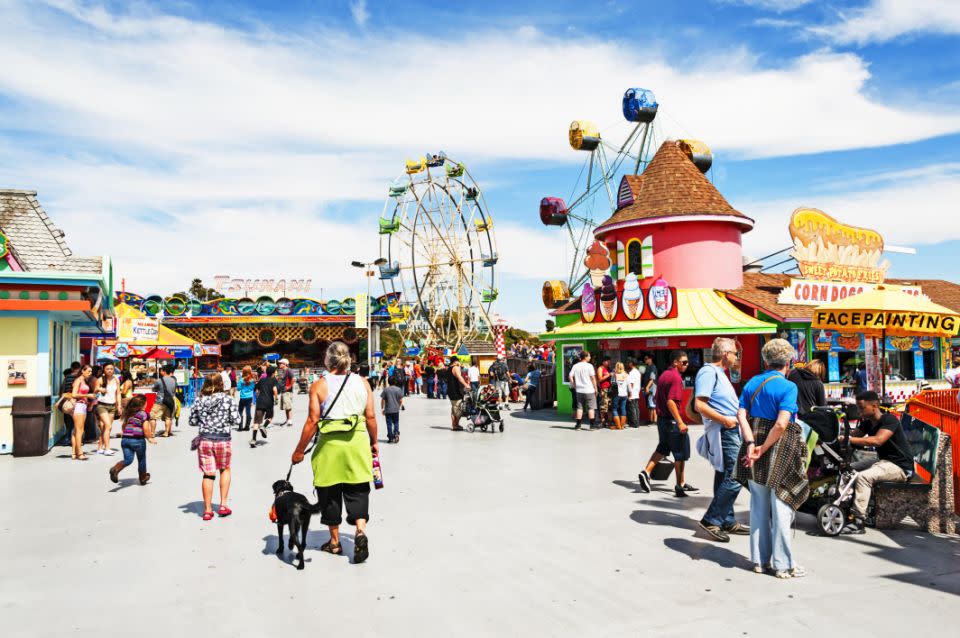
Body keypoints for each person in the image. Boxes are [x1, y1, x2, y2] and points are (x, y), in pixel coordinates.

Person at [291, 342, 377, 563]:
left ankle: (335, 542)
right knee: (358, 487)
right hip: (356, 442)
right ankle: (359, 531)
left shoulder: (319, 385)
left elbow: (312, 421)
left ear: (327, 360)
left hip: (329, 446)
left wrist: (299, 451)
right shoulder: (363, 383)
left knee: (329, 492)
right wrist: (374, 442)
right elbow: (370, 417)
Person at [735, 339, 807, 579]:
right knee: (782, 507)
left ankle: (759, 561)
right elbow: (781, 423)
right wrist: (764, 448)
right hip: (780, 451)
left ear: (766, 361)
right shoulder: (788, 387)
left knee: (758, 506)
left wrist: (751, 444)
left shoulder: (752, 383)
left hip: (753, 449)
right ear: (788, 362)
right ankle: (782, 564)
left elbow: (741, 415)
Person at [695, 338, 749, 542]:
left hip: (730, 429)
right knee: (736, 475)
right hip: (725, 430)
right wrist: (725, 420)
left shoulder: (719, 373)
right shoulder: (709, 371)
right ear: (726, 354)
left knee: (725, 474)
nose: (736, 357)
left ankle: (726, 519)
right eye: (735, 353)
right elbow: (700, 404)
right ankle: (712, 519)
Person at [841, 391, 913, 534]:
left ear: (874, 406)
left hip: (900, 467)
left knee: (863, 477)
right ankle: (844, 507)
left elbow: (877, 441)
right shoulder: (868, 423)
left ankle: (858, 521)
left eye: (862, 408)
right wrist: (842, 437)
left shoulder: (889, 420)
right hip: (883, 462)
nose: (859, 412)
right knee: (848, 470)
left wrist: (848, 439)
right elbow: (854, 437)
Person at [637, 350, 697, 497]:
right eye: (684, 362)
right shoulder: (676, 378)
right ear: (675, 362)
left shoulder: (664, 375)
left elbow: (657, 397)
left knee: (663, 448)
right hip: (672, 421)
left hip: (662, 420)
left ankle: (646, 472)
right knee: (680, 453)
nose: (686, 365)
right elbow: (671, 402)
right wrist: (680, 422)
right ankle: (679, 486)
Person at [190, 373, 240, 520]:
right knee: (224, 469)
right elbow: (236, 420)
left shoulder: (199, 400)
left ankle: (207, 510)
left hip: (205, 440)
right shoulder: (228, 399)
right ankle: (223, 505)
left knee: (208, 474)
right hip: (223, 440)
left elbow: (192, 421)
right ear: (221, 384)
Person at [108, 395, 156, 485]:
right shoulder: (143, 414)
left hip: (125, 440)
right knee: (141, 459)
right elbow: (145, 428)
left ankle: (116, 469)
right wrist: (149, 438)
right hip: (138, 440)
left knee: (128, 460)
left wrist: (127, 434)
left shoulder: (129, 414)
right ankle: (143, 477)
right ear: (143, 404)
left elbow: (123, 427)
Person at [69, 365, 96, 460]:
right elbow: (74, 394)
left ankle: (75, 452)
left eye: (91, 371)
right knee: (79, 430)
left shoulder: (84, 381)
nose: (90, 373)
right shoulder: (78, 380)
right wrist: (87, 394)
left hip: (83, 405)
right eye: (88, 371)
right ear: (82, 371)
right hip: (78, 406)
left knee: (78, 430)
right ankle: (80, 453)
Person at [94, 362, 121, 456]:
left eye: (111, 369)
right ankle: (107, 448)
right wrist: (100, 389)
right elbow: (95, 390)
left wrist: (119, 406)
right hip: (102, 405)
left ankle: (99, 448)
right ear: (104, 370)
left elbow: (118, 393)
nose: (110, 370)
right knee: (108, 426)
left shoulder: (116, 379)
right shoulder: (100, 379)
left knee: (105, 427)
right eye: (107, 369)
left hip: (112, 406)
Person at [568, 351, 597, 430]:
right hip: (589, 390)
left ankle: (578, 425)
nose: (590, 357)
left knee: (579, 408)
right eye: (589, 356)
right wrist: (595, 388)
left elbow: (570, 376)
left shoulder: (575, 366)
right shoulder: (589, 366)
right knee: (591, 408)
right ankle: (592, 425)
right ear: (586, 357)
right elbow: (593, 378)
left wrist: (574, 385)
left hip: (579, 390)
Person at [251, 365, 279, 447]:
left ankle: (253, 439)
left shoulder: (262, 380)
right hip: (269, 401)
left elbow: (256, 390)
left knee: (257, 422)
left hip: (260, 402)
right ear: (273, 373)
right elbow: (275, 390)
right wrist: (276, 398)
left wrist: (258, 396)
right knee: (270, 417)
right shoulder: (274, 380)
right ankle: (264, 426)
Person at [151, 365, 177, 437]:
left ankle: (152, 433)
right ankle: (166, 433)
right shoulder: (174, 381)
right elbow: (174, 391)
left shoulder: (159, 380)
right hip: (169, 401)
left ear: (165, 371)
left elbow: (153, 389)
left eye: (162, 370)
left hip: (160, 401)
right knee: (168, 417)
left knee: (153, 416)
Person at [446, 357, 471, 431]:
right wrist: (466, 385)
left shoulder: (449, 368)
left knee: (454, 409)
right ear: (455, 361)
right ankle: (455, 425)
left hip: (450, 391)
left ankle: (455, 425)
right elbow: (459, 377)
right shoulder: (455, 368)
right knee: (458, 409)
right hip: (455, 391)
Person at [381, 376, 404, 443]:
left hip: (388, 410)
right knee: (396, 422)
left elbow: (383, 400)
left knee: (389, 424)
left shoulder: (386, 390)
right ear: (395, 382)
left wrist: (382, 408)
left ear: (388, 382)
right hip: (396, 410)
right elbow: (400, 400)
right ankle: (396, 433)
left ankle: (390, 437)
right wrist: (399, 406)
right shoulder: (398, 389)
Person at [236, 365, 256, 431]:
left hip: (243, 397)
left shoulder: (241, 380)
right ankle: (247, 426)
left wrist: (241, 385)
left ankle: (240, 427)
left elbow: (238, 389)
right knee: (248, 411)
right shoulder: (252, 380)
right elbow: (253, 388)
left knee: (240, 412)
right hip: (249, 397)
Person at [610, 362, 628, 429]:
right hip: (624, 394)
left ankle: (618, 426)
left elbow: (612, 384)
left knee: (614, 409)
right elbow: (629, 386)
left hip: (616, 394)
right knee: (623, 408)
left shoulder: (614, 375)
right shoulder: (626, 375)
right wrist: (630, 394)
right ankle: (622, 425)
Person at [641, 353, 658, 425]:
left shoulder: (653, 367)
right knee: (649, 405)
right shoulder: (647, 367)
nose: (645, 360)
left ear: (650, 359)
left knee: (652, 405)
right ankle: (650, 420)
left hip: (651, 389)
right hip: (647, 389)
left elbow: (652, 379)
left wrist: (647, 387)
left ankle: (654, 421)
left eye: (646, 358)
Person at [277, 358, 295, 425]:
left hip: (287, 392)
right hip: (283, 391)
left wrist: (289, 386)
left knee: (288, 406)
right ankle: (287, 419)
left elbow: (293, 379)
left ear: (285, 364)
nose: (279, 364)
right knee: (285, 406)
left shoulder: (289, 370)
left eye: (281, 363)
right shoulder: (283, 371)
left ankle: (290, 420)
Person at [596, 356, 613, 428]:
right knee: (603, 405)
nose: (609, 363)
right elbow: (599, 379)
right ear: (604, 361)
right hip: (604, 389)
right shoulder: (600, 368)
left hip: (610, 389)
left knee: (609, 405)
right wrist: (609, 375)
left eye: (610, 361)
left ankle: (609, 421)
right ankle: (602, 421)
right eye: (608, 361)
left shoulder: (609, 369)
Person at [626, 359, 642, 428]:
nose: (628, 364)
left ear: (632, 364)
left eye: (629, 363)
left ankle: (634, 423)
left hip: (633, 392)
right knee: (636, 408)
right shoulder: (638, 372)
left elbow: (631, 384)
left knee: (633, 408)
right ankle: (637, 422)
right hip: (636, 392)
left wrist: (630, 394)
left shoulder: (632, 372)